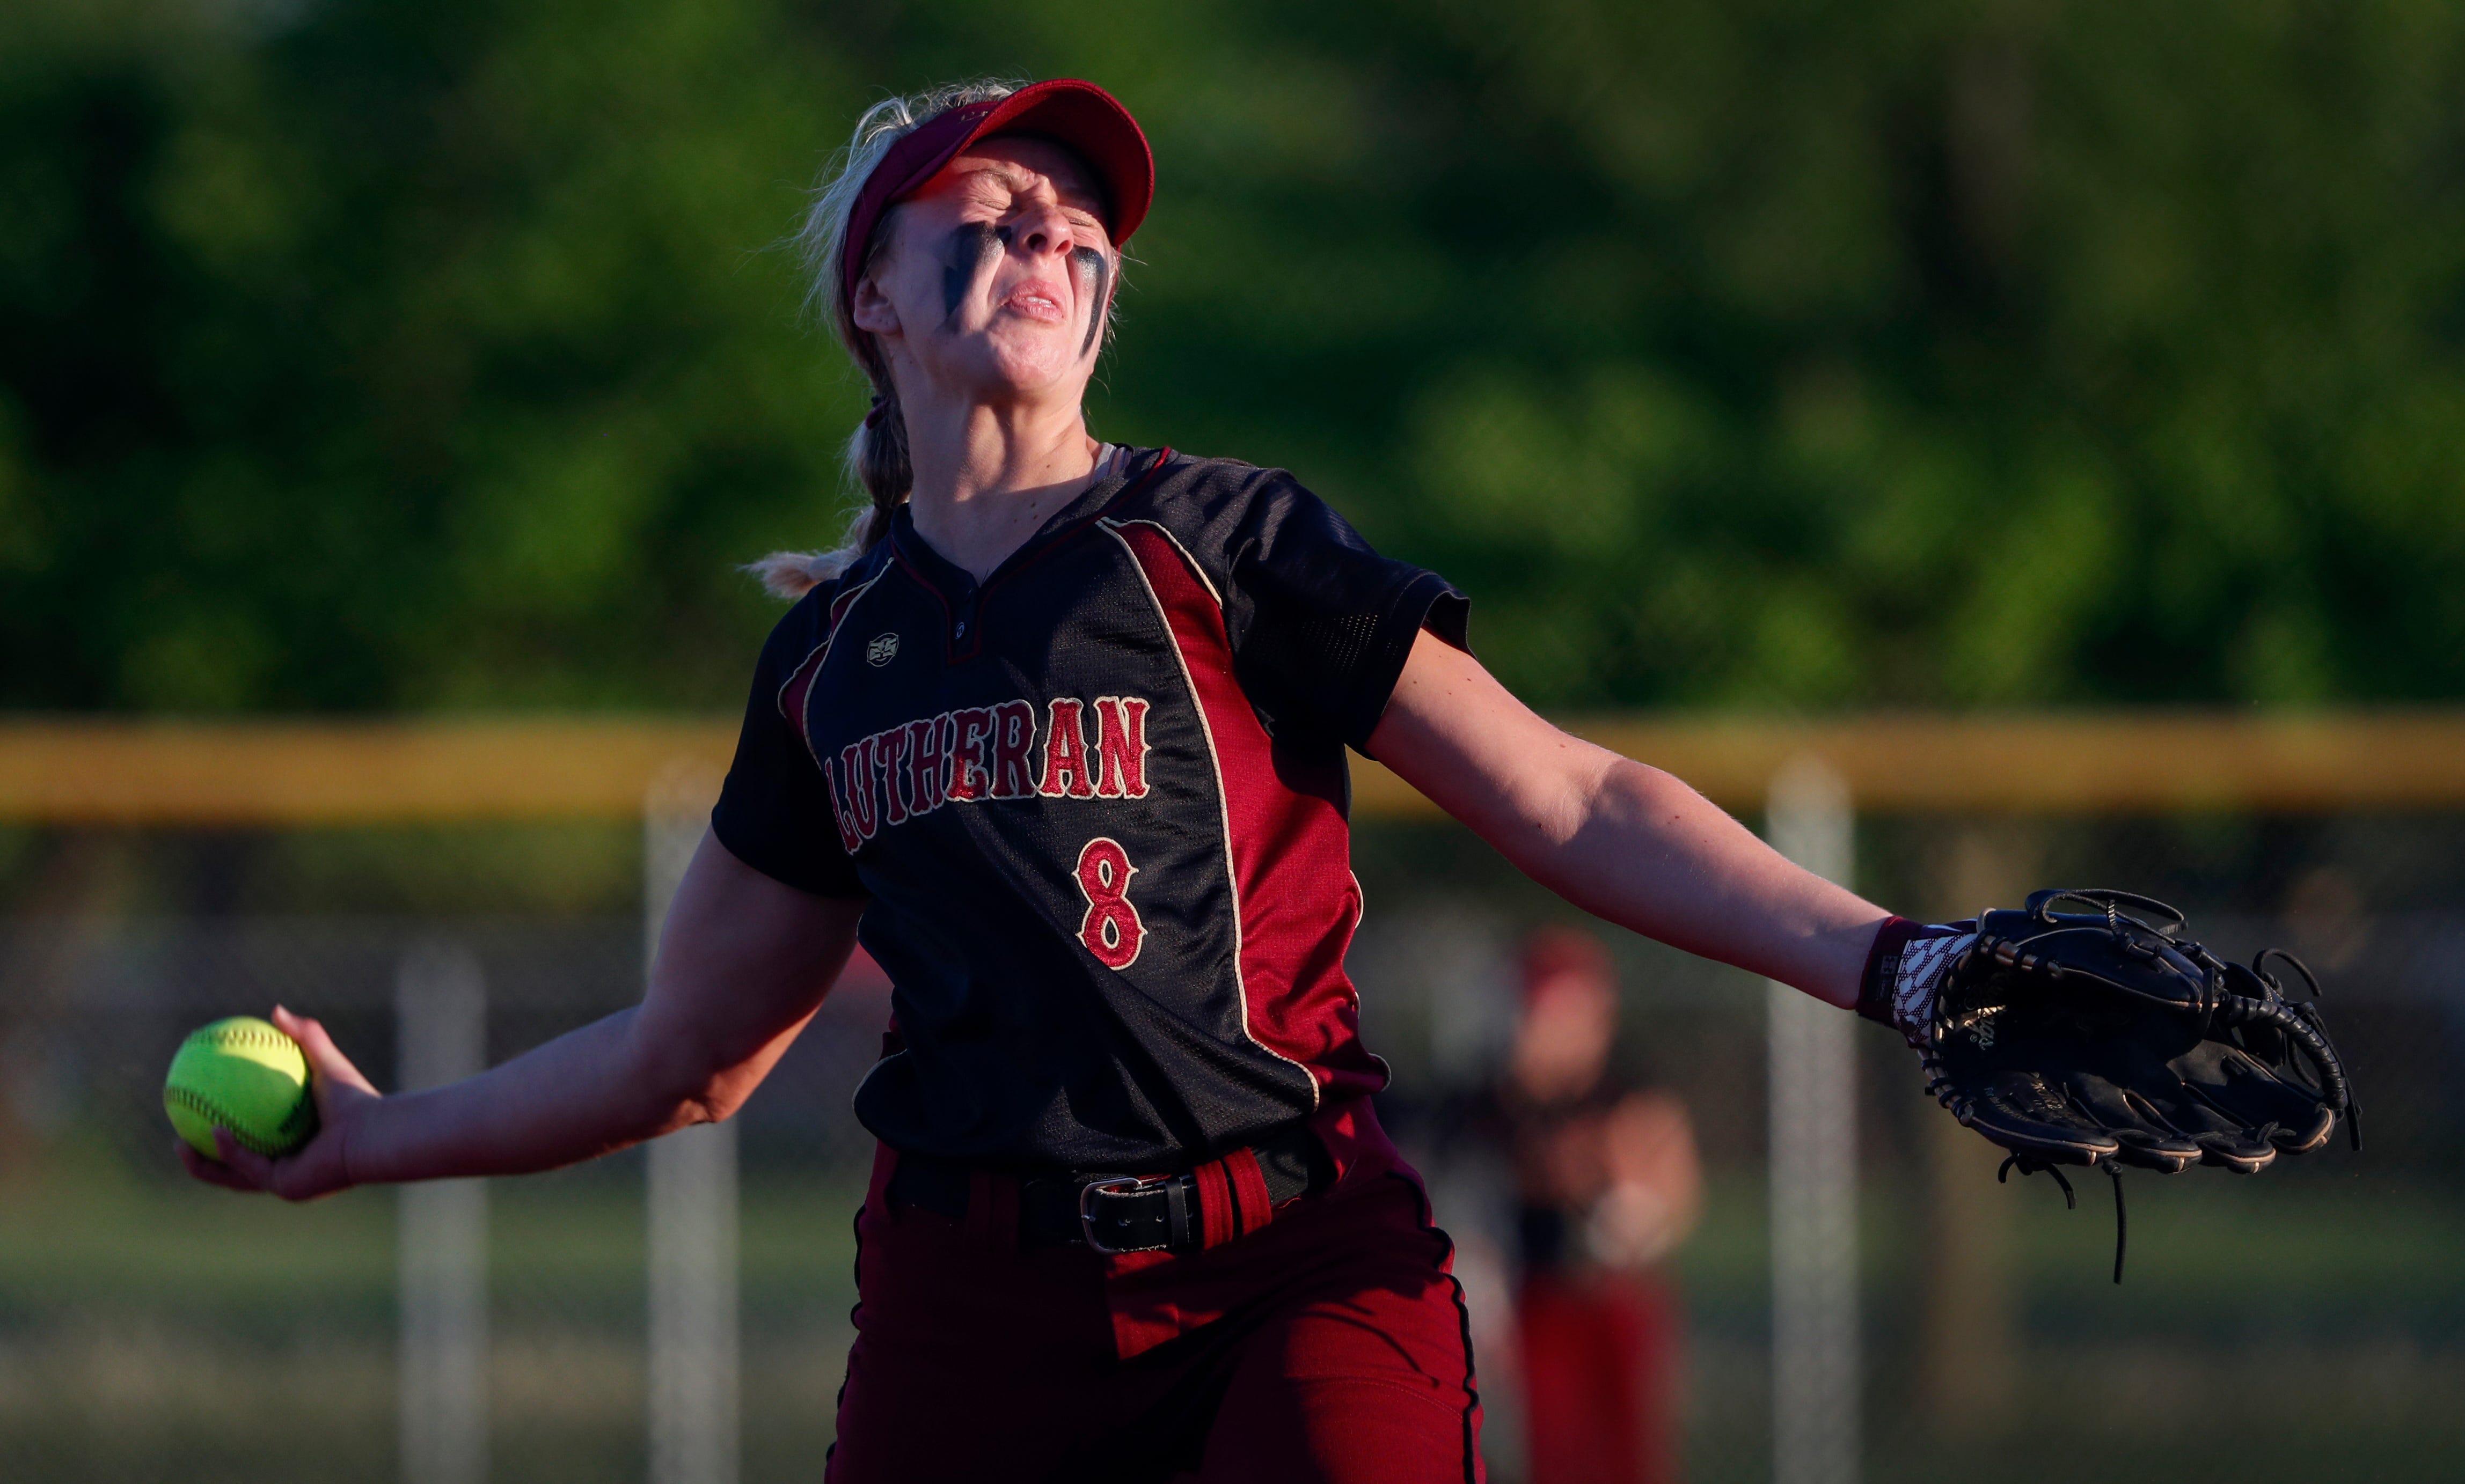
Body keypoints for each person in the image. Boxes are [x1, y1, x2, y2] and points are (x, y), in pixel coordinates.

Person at [181, 78, 1959, 1483]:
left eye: (1079, 221)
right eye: (993, 204)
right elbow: (685, 1056)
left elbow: (1567, 797)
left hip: (1294, 1253)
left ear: (1103, 308)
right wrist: (375, 1139)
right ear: (872, 290)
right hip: (979, 1307)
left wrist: (1907, 963)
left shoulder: (1218, 540)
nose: (1048, 230)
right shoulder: (827, 662)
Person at [1484, 927, 1700, 1484]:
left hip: (1620, 1297)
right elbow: (1517, 1174)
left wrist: (1637, 1201)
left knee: (1631, 1454)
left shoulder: (1630, 1092)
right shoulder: (1505, 1102)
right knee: (1552, 1453)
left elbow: (1677, 1190)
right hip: (1539, 1294)